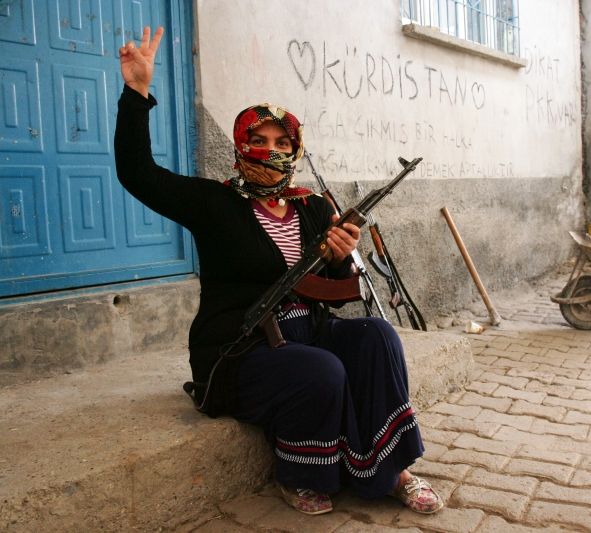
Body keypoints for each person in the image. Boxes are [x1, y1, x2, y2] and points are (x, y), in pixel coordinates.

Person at [115, 26, 443, 515]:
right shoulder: (214, 202)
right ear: (240, 143)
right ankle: (300, 475)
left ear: (296, 146)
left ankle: (389, 468)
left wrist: (337, 256)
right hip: (239, 346)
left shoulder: (311, 204)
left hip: (308, 329)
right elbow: (137, 172)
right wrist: (137, 91)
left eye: (281, 140)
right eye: (259, 138)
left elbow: (335, 291)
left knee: (377, 336)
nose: (271, 149)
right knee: (321, 369)